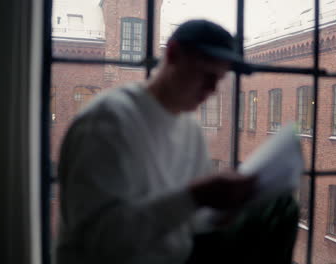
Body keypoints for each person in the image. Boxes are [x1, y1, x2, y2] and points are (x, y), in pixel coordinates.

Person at [56, 19, 260, 264]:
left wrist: (223, 212)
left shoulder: (191, 129)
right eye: (207, 74)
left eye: (220, 77)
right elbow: (100, 242)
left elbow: (188, 219)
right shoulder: (106, 122)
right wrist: (194, 197)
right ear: (172, 55)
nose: (214, 89)